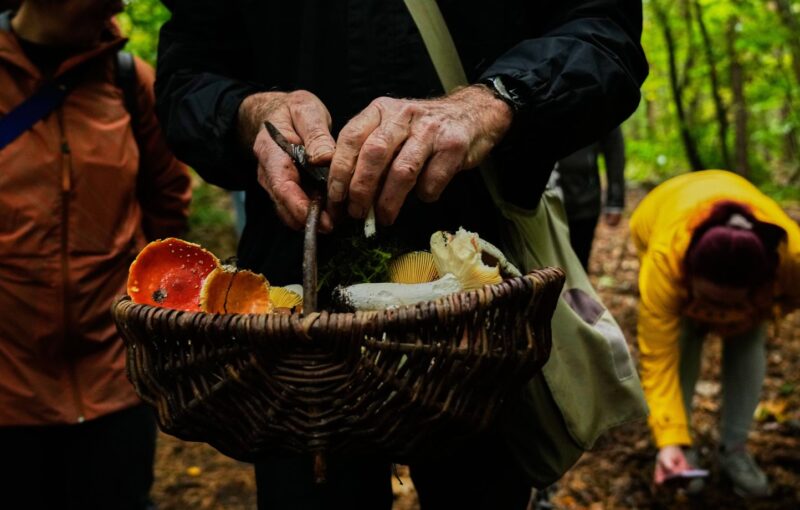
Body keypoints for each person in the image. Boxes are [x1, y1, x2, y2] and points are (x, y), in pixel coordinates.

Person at [155, 1, 648, 508]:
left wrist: (493, 101)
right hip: (295, 322)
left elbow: (604, 30)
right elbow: (186, 75)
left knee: (480, 488)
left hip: (480, 313)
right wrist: (249, 114)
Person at [0, 1, 191, 508]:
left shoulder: (130, 82)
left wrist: (156, 326)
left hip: (116, 380)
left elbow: (166, 206)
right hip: (7, 389)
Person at [630, 170, 800, 497]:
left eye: (727, 304)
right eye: (709, 301)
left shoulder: (791, 258)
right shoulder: (665, 261)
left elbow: (791, 298)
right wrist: (669, 441)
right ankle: (681, 447)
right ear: (687, 273)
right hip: (662, 211)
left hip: (754, 297)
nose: (717, 314)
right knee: (681, 341)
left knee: (748, 338)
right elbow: (658, 359)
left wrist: (765, 311)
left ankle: (735, 449)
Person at [555, 125, 626, 270]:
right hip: (537, 200)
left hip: (582, 201)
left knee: (578, 263)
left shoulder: (602, 104)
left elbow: (614, 151)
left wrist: (615, 200)